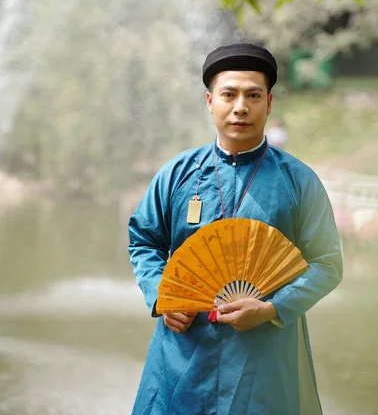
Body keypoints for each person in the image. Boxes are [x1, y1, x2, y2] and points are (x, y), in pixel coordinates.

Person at [128, 43, 342, 415]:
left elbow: (327, 263)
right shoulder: (177, 174)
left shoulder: (298, 181)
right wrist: (162, 295)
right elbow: (144, 239)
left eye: (253, 95)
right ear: (210, 101)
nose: (240, 106)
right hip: (183, 353)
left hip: (265, 358)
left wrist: (273, 307)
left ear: (269, 103)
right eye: (229, 94)